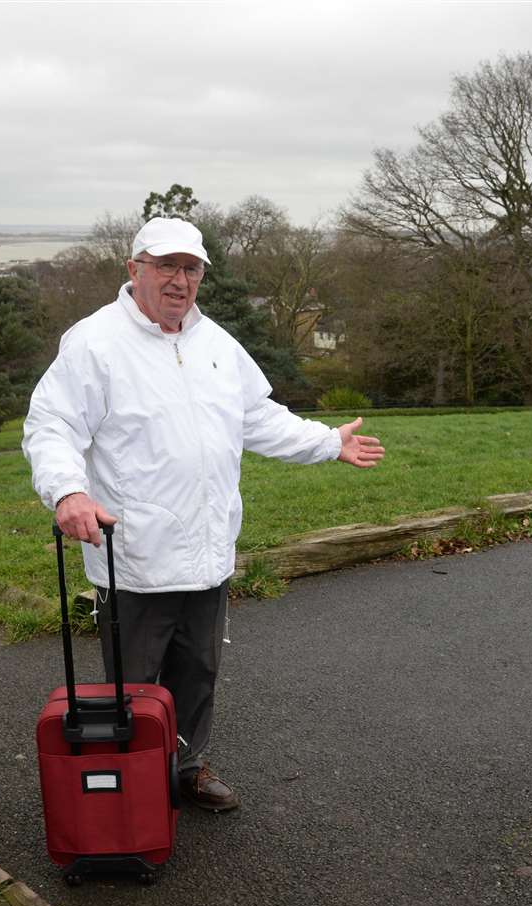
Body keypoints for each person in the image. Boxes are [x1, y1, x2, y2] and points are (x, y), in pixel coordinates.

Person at [23, 216, 384, 812]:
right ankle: (133, 787)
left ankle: (186, 768)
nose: (179, 280)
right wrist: (68, 492)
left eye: (191, 269)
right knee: (135, 686)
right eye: (166, 266)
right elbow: (52, 425)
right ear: (133, 269)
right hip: (135, 556)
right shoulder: (94, 343)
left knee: (198, 672)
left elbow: (258, 417)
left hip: (209, 552)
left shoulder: (215, 343)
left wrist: (327, 442)